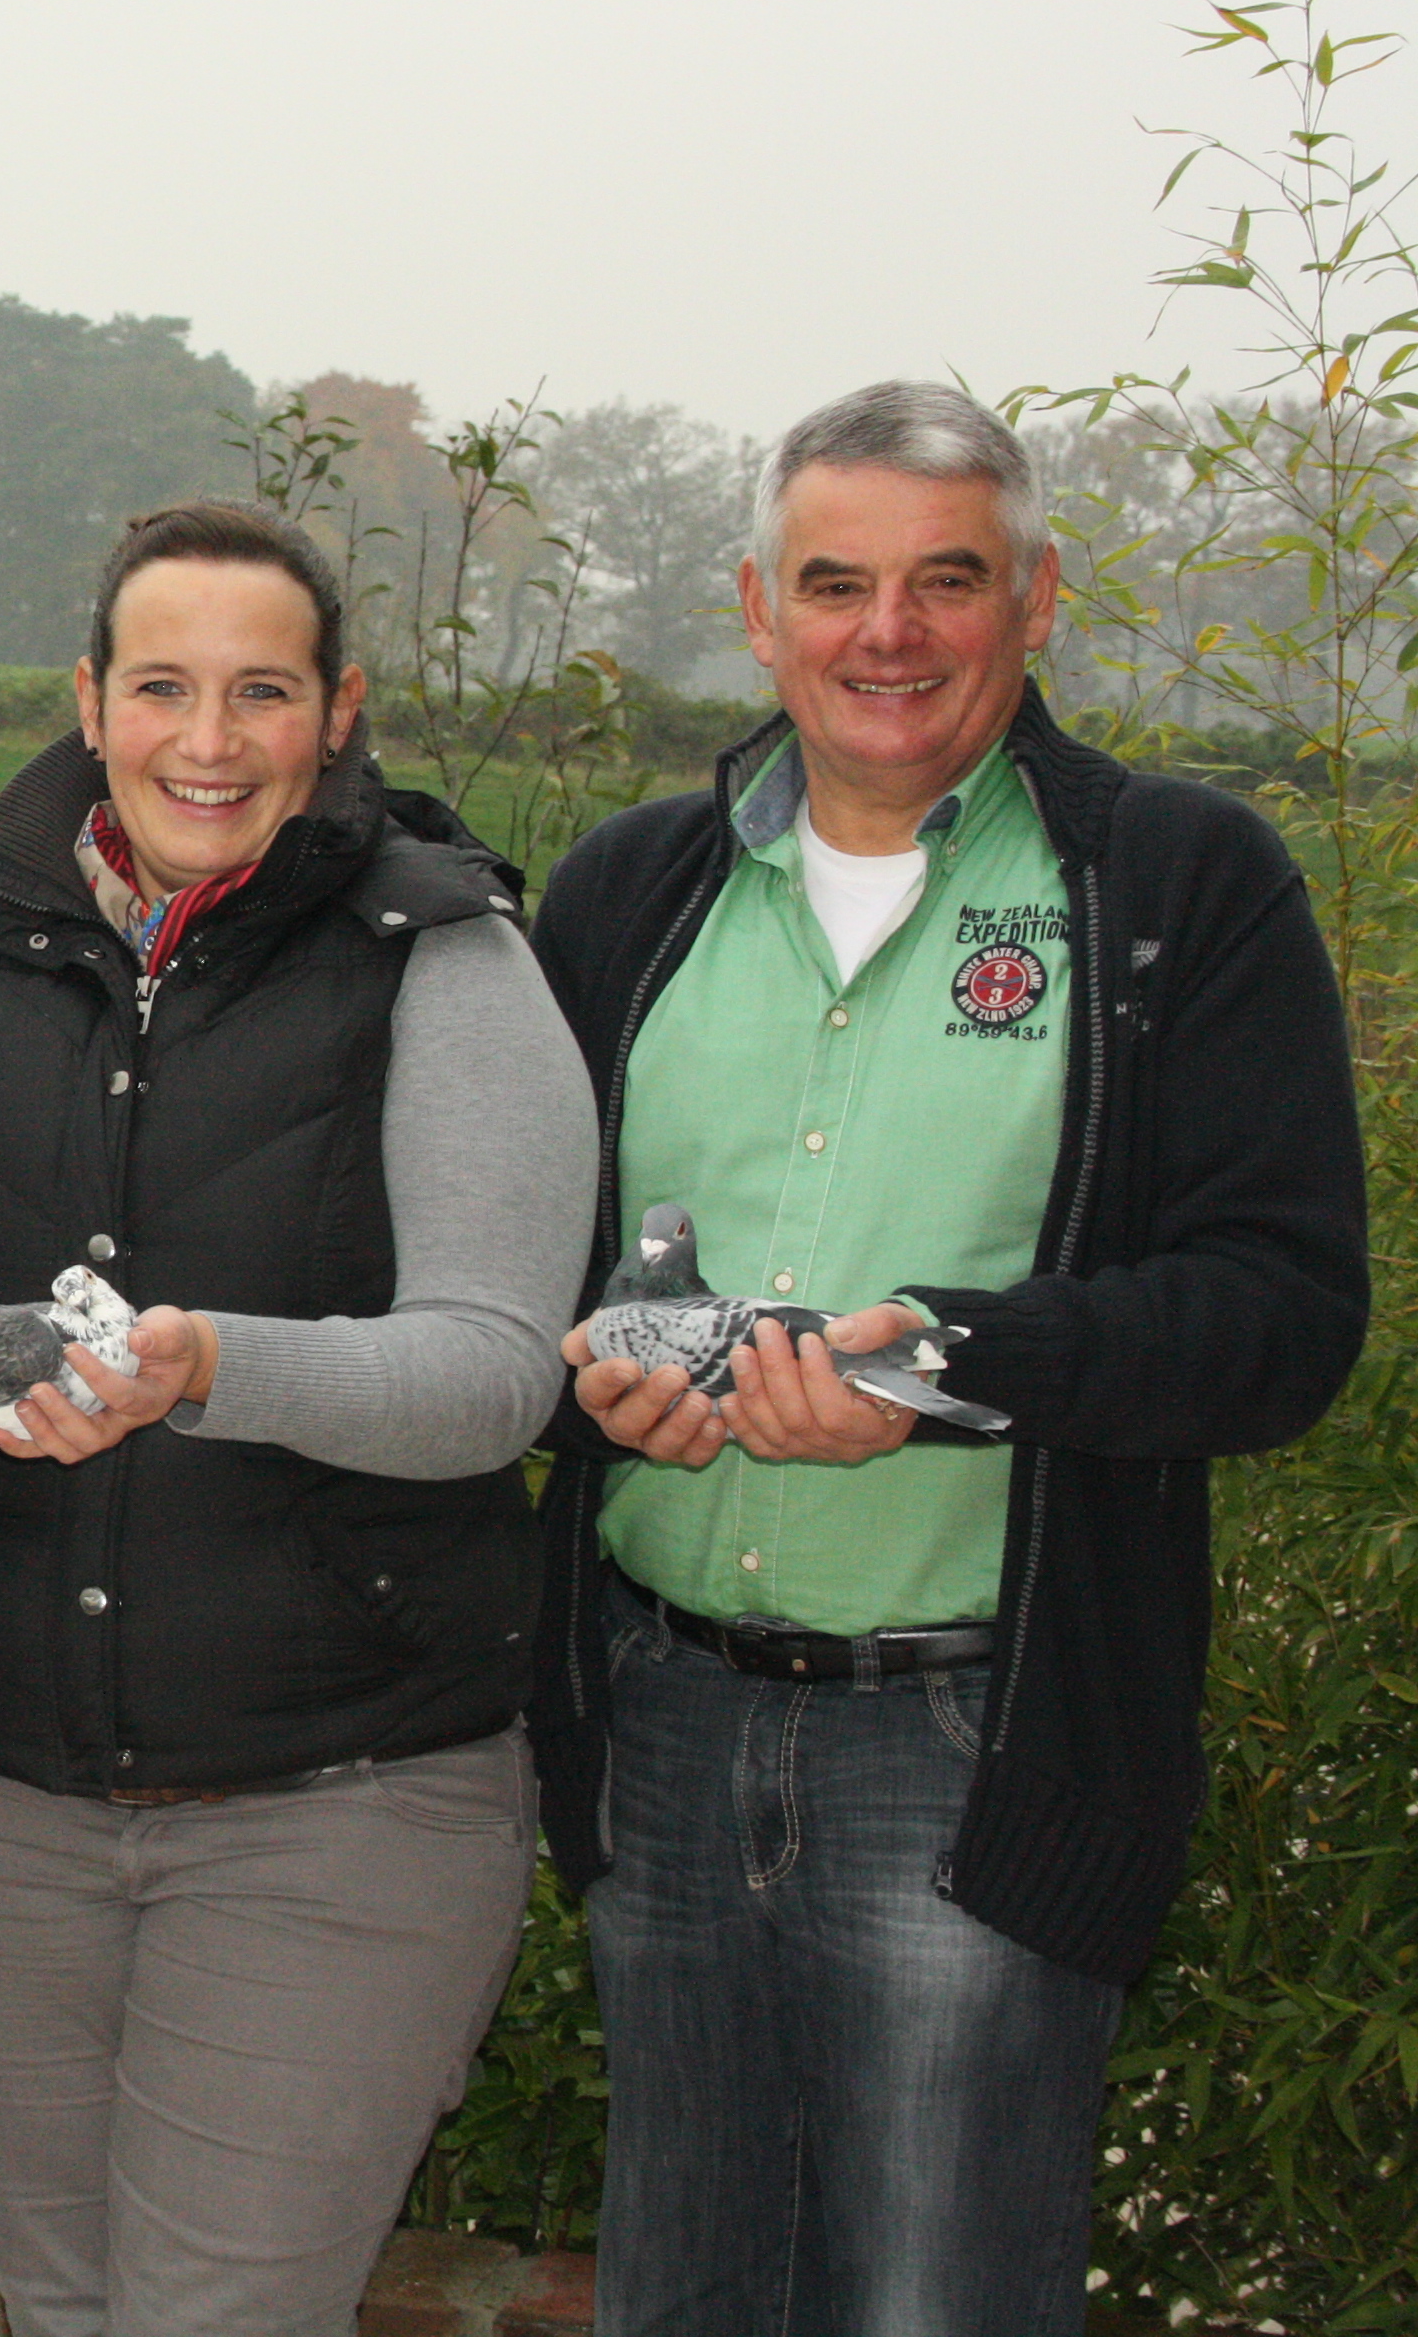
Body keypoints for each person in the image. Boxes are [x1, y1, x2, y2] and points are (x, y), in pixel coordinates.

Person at [528, 381, 1369, 2336]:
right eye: (835, 582)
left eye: (945, 582)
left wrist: (958, 1356)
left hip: (979, 1748)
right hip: (658, 1729)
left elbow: (1282, 1318)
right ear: (758, 606)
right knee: (683, 2297)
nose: (884, 633)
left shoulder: (1170, 888)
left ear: (1038, 600)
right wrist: (598, 1375)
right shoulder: (625, 899)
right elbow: (535, 1276)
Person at [0, 499, 594, 2337]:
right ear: (87, 701)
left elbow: (494, 1374)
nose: (206, 737)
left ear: (336, 713)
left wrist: (211, 1365)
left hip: (336, 1799)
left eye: (260, 690)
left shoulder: (444, 959)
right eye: (160, 684)